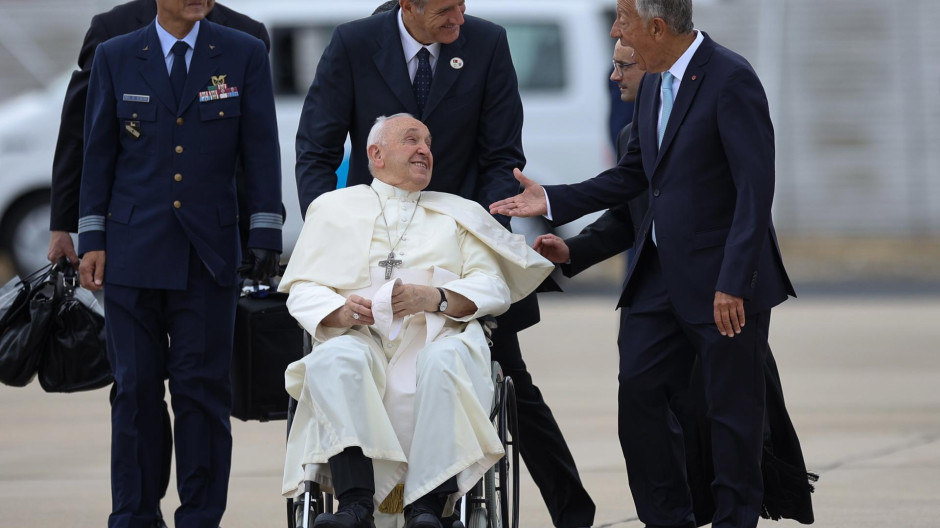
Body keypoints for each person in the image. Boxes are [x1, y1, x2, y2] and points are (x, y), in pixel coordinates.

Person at [490, 1, 797, 527]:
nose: (614, 31)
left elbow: (754, 191)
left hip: (722, 282)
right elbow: (634, 176)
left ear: (656, 27)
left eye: (623, 20)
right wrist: (553, 201)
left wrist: (734, 282)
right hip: (657, 279)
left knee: (731, 414)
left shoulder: (731, 79)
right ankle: (667, 518)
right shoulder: (653, 84)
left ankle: (733, 519)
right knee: (639, 395)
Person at [295, 2, 596, 527]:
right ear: (408, 5)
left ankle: (572, 513)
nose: (458, 17)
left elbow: (501, 155)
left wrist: (476, 238)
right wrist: (336, 224)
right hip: (371, 238)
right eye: (444, 9)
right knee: (343, 361)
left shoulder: (487, 43)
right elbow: (316, 148)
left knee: (506, 380)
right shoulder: (353, 43)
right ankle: (359, 500)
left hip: (453, 239)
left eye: (462, 5)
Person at [47, 2, 269, 526]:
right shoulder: (114, 50)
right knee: (136, 390)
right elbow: (93, 145)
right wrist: (88, 231)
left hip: (209, 255)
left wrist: (264, 231)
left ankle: (199, 517)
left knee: (202, 391)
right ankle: (133, 515)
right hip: (131, 252)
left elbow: (259, 149)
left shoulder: (244, 48)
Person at [279, 114, 553, 528]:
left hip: (435, 335)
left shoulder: (459, 213)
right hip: (361, 333)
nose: (425, 149)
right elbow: (303, 289)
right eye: (411, 140)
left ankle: (427, 506)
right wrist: (340, 311)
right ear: (376, 154)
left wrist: (436, 298)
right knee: (335, 361)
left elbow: (493, 287)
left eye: (428, 142)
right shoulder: (332, 208)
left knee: (446, 363)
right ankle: (355, 505)